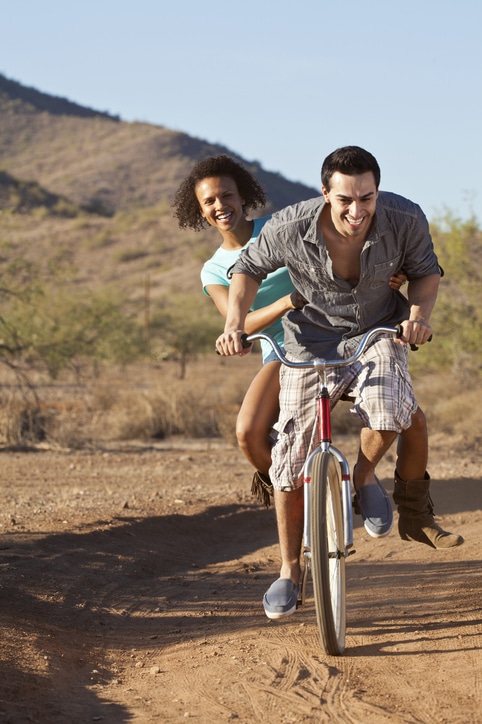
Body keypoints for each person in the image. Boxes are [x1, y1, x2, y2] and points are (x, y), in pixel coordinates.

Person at [215, 145, 464, 620]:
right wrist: (234, 323)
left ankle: (364, 478)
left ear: (377, 190)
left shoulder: (405, 218)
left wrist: (418, 316)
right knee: (288, 462)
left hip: (376, 334)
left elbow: (426, 275)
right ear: (325, 193)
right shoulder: (291, 227)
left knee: (393, 408)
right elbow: (246, 269)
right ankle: (290, 571)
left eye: (366, 197)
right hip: (309, 343)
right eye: (345, 199)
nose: (357, 210)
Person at [172, 154, 409, 507]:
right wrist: (287, 302)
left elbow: (348, 254)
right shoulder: (213, 270)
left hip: (342, 334)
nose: (220, 206)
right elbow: (239, 323)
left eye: (227, 195)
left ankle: (391, 492)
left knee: (406, 412)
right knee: (248, 433)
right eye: (210, 201)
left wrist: (392, 275)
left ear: (243, 197)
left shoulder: (279, 228)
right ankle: (305, 493)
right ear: (199, 210)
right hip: (281, 350)